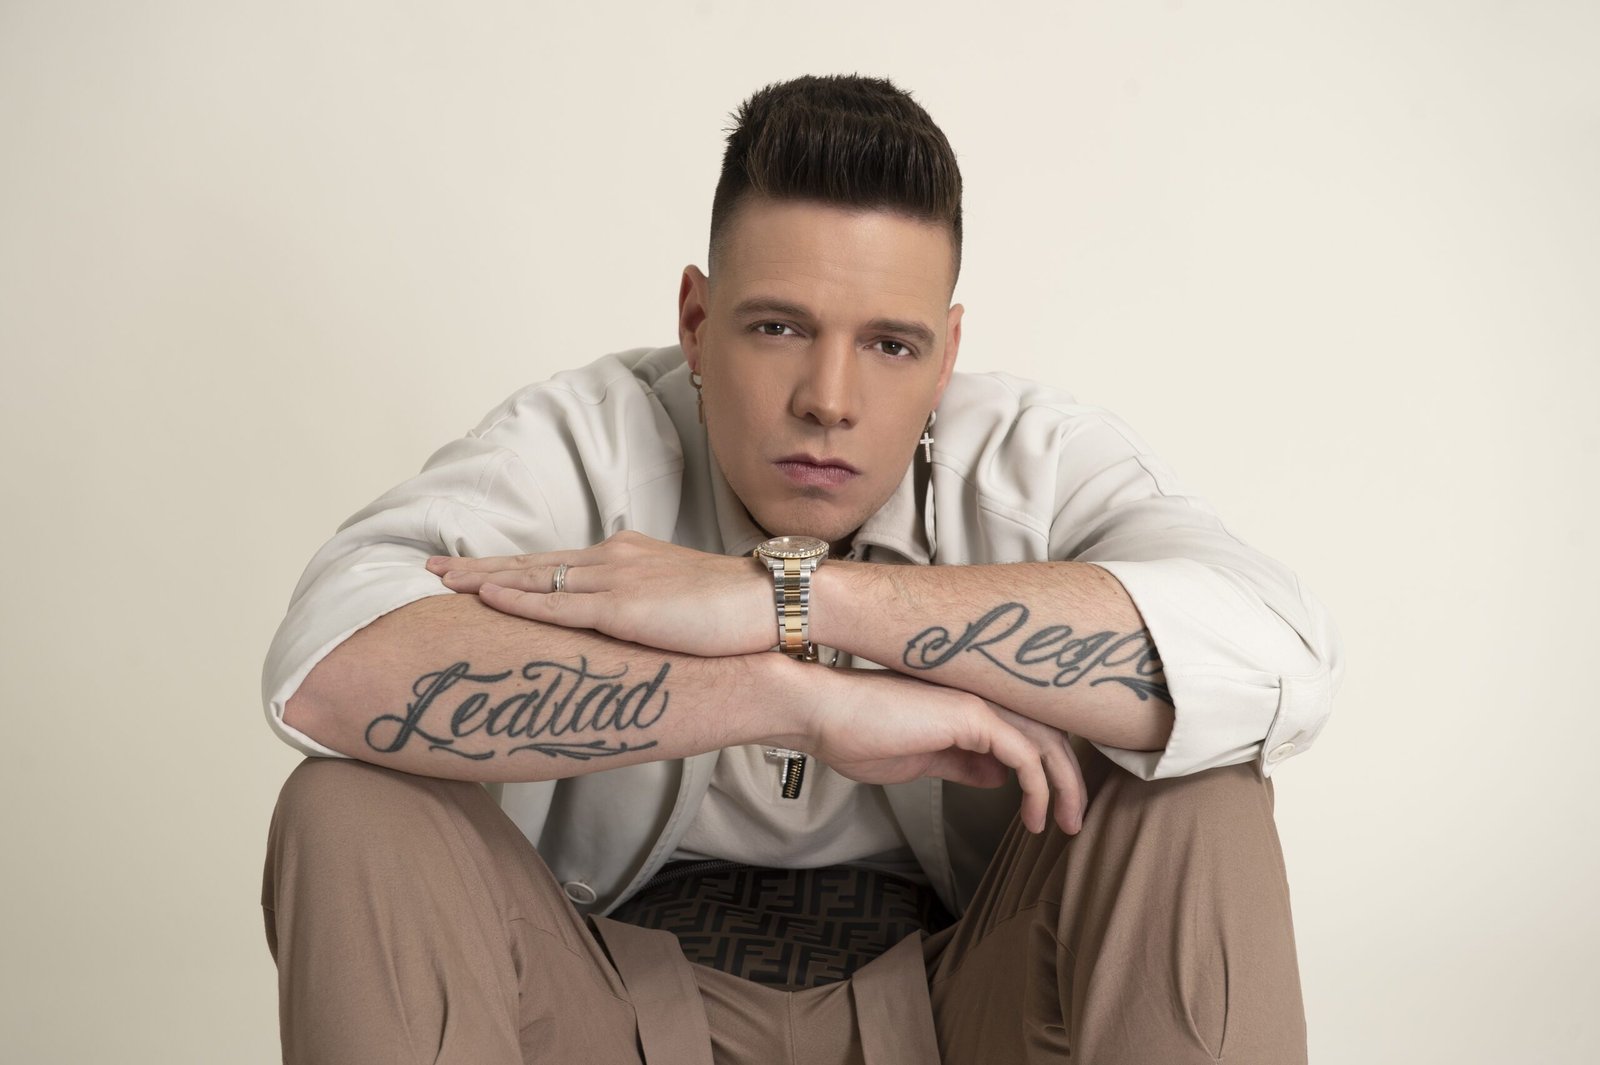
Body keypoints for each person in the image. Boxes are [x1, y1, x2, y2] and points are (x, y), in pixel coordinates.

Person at [260, 74, 1341, 1064]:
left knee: (1198, 787)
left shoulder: (1029, 461)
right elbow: (326, 670)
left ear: (947, 359)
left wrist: (799, 598)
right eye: (779, 327)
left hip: (969, 1011)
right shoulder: (585, 444)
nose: (829, 398)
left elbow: (1276, 663)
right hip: (597, 1005)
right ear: (695, 322)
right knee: (351, 804)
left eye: (890, 345)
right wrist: (791, 699)